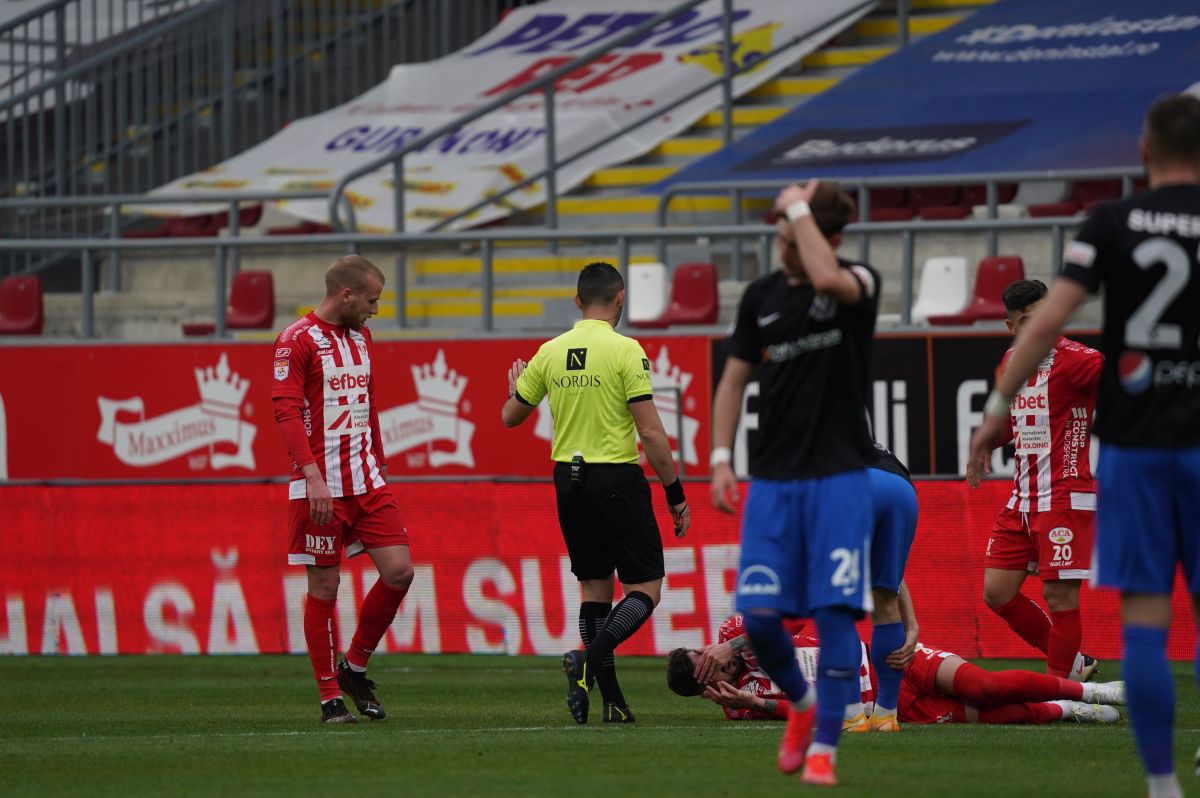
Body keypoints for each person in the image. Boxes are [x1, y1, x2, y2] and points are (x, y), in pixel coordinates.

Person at [967, 93, 1200, 798]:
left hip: (1098, 477)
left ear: (1142, 152)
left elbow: (1073, 337)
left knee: (1143, 613)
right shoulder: (1022, 359)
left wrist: (992, 412)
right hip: (1053, 483)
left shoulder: (1108, 227)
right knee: (999, 592)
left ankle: (1149, 770)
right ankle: (1078, 677)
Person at [710, 179, 880, 786]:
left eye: (790, 234)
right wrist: (721, 457)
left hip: (839, 480)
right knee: (757, 618)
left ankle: (825, 752)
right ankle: (802, 706)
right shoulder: (761, 296)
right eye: (781, 234)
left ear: (824, 236)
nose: (780, 246)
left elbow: (829, 278)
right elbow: (731, 382)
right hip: (774, 485)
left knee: (835, 619)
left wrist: (800, 209)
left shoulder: (858, 283)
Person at [501, 261, 690, 725]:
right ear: (620, 298)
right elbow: (651, 433)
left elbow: (509, 417)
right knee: (645, 587)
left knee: (595, 591)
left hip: (568, 480)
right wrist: (675, 491)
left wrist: (514, 389)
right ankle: (588, 659)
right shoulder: (626, 350)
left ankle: (613, 703)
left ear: (577, 301)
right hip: (616, 478)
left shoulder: (550, 351)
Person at [271, 255, 415, 724]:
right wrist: (311, 476)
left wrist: (381, 459)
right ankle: (330, 696)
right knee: (325, 585)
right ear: (346, 295)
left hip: (368, 479)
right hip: (321, 485)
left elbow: (368, 404)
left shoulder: (362, 335)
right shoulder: (296, 340)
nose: (376, 309)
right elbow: (287, 411)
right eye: (372, 300)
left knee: (399, 572)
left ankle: (353, 667)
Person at [966, 280, 1103, 681]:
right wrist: (988, 441)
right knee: (996, 592)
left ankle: (1062, 691)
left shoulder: (1080, 359)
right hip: (1022, 499)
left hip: (1064, 496)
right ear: (1012, 327)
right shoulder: (1012, 361)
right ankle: (1073, 664)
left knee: (1058, 596)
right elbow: (1017, 421)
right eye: (1027, 320)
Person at [667, 616, 1124, 727]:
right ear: (709, 689)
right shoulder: (739, 707)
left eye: (705, 655)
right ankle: (1067, 710)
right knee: (990, 716)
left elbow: (789, 617)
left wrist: (734, 645)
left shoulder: (734, 631)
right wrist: (755, 701)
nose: (717, 663)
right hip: (886, 705)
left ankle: (1092, 689)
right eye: (710, 672)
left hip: (884, 660)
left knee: (983, 684)